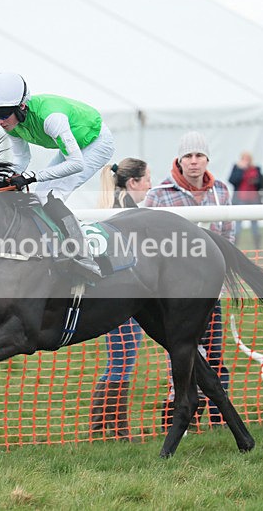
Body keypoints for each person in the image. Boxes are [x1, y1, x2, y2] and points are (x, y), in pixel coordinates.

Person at [0, 71, 115, 281]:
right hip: (75, 146)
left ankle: (85, 257)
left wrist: (32, 176)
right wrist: (10, 176)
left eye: (4, 115)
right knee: (40, 195)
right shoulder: (12, 124)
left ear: (22, 107)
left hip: (97, 142)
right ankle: (54, 248)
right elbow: (21, 157)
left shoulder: (52, 118)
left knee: (52, 195)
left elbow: (76, 163)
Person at [144, 131, 234, 427]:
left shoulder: (221, 191)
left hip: (211, 291)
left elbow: (227, 236)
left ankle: (221, 417)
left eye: (199, 156)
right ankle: (179, 415)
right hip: (176, 295)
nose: (194, 162)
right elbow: (145, 240)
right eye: (188, 156)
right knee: (183, 355)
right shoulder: (158, 195)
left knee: (215, 354)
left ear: (207, 159)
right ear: (179, 161)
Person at [90, 158, 151, 441]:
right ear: (133, 183)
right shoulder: (127, 214)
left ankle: (102, 428)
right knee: (121, 363)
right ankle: (118, 430)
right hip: (124, 297)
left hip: (118, 296)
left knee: (118, 362)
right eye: (147, 179)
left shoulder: (117, 210)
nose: (150, 184)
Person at [228, 151, 263, 249]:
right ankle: (235, 243)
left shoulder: (256, 169)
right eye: (244, 158)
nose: (246, 161)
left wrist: (255, 180)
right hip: (240, 199)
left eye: (248, 158)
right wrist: (240, 170)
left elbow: (261, 183)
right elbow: (232, 180)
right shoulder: (237, 168)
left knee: (255, 224)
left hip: (253, 199)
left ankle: (257, 245)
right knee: (238, 223)